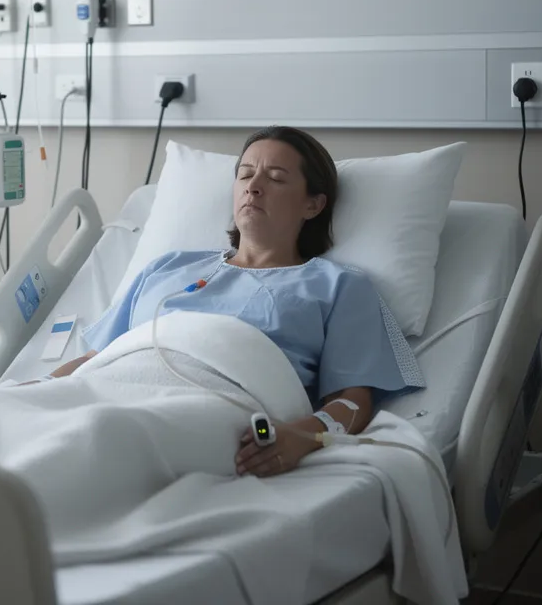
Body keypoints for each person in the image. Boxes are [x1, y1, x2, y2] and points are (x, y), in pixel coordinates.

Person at [41, 126, 418, 478]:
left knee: (92, 445)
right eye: (245, 175)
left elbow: (352, 400)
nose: (253, 187)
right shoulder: (169, 266)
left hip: (211, 410)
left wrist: (299, 439)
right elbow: (97, 360)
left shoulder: (338, 286)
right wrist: (35, 391)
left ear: (313, 205)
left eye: (275, 178)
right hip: (110, 388)